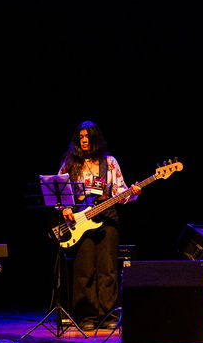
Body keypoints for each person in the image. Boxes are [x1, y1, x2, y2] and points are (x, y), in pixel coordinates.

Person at [59, 121, 141, 331]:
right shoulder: (70, 163)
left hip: (107, 217)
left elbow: (120, 192)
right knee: (84, 269)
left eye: (87, 136)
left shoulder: (109, 162)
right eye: (80, 137)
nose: (84, 140)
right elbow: (58, 190)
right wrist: (65, 208)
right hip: (81, 219)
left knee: (107, 269)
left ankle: (108, 315)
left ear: (95, 138)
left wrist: (132, 193)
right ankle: (85, 315)